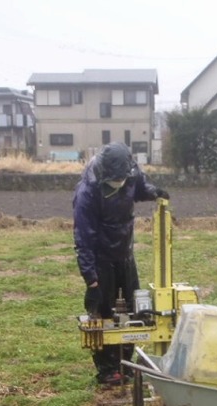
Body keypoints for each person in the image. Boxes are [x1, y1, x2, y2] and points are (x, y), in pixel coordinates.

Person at [73, 143, 169, 385]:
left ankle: (125, 362)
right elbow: (83, 237)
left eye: (122, 178)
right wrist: (91, 279)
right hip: (101, 255)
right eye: (114, 179)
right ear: (105, 174)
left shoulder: (131, 173)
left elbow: (140, 187)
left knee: (133, 309)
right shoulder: (88, 192)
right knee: (103, 313)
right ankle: (107, 369)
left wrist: (154, 191)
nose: (119, 182)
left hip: (125, 252)